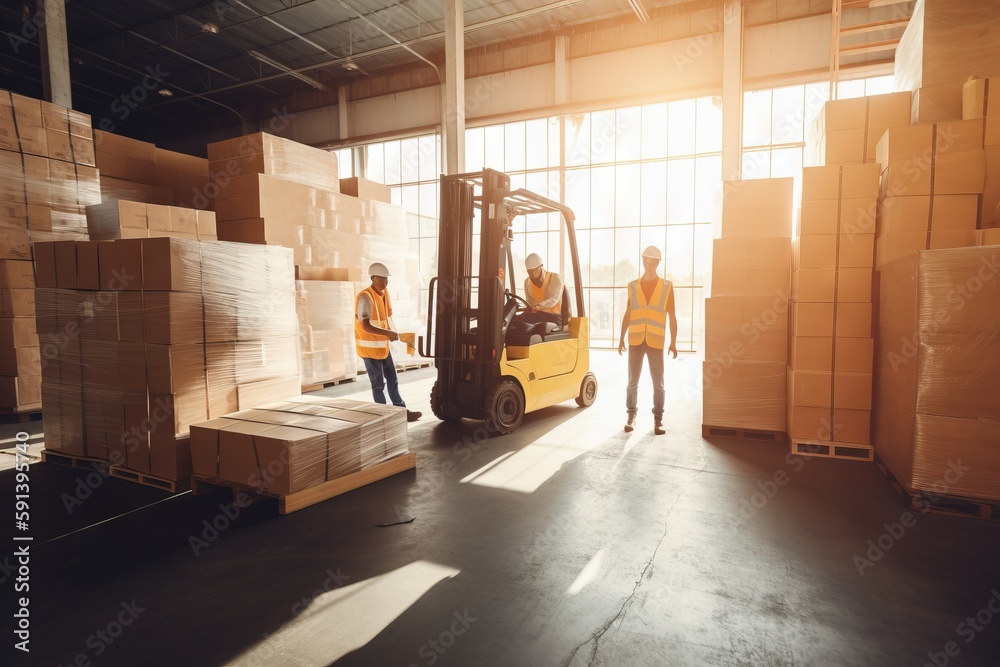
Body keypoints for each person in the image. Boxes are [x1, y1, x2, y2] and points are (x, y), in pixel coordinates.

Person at [618, 246, 677, 435]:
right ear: (644, 261)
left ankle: (658, 420)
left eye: (656, 260)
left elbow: (672, 315)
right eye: (650, 260)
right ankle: (631, 416)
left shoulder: (667, 287)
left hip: (656, 341)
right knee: (632, 382)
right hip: (635, 339)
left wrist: (674, 341)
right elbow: (628, 312)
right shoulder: (633, 286)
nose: (653, 264)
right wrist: (621, 338)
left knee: (658, 384)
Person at [355, 262, 421, 422]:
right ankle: (383, 417)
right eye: (381, 279)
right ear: (373, 278)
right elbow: (365, 325)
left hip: (382, 347)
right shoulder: (365, 297)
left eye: (386, 279)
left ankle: (401, 412)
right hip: (369, 349)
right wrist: (387, 333)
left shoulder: (384, 294)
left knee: (392, 379)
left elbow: (386, 318)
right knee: (378, 385)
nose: (384, 282)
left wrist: (395, 334)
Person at [516, 253, 563, 329]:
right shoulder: (527, 282)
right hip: (538, 314)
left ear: (541, 266)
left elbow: (554, 298)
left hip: (553, 316)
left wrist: (540, 306)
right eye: (530, 271)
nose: (533, 273)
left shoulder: (554, 278)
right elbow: (530, 300)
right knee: (516, 321)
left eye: (535, 270)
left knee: (538, 327)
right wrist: (534, 307)